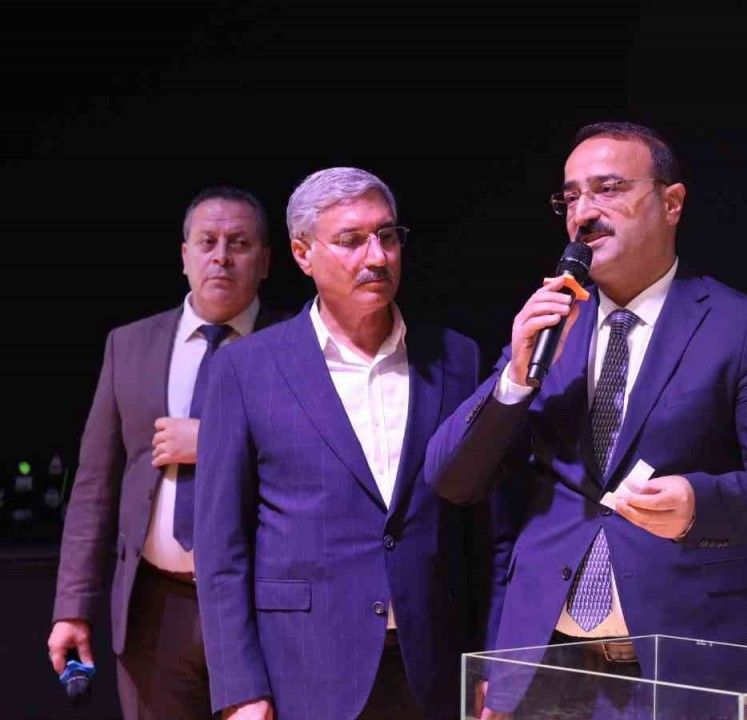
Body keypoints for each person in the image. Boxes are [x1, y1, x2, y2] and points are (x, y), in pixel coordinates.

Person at [426, 121, 747, 718]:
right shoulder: (551, 328)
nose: (584, 213)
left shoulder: (741, 326)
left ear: (672, 202)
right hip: (547, 665)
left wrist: (701, 502)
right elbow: (453, 479)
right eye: (571, 197)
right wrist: (516, 376)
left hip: (687, 665)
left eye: (608, 189)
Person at [194, 167, 486, 719]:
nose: (377, 256)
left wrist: (493, 662)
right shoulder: (245, 369)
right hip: (306, 665)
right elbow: (220, 548)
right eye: (351, 240)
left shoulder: (457, 359)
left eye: (387, 236)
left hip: (436, 664)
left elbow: (484, 528)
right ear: (302, 254)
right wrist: (240, 690)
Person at [49, 187, 281, 719]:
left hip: (261, 608)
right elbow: (94, 488)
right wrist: (72, 608)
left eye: (239, 243)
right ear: (184, 255)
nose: (221, 256)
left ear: (266, 261)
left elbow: (319, 468)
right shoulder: (129, 345)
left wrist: (215, 443)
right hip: (154, 609)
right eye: (207, 242)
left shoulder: (297, 346)